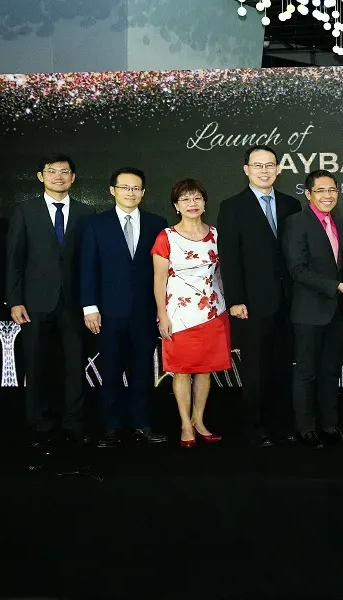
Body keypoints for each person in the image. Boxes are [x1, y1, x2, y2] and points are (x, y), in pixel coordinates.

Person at [6, 153, 93, 448]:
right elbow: (14, 260)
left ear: (73, 177)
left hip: (74, 302)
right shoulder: (25, 210)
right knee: (36, 365)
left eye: (64, 171)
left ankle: (74, 424)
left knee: (75, 366)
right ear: (40, 176)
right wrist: (15, 300)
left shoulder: (86, 212)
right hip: (34, 302)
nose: (59, 176)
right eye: (52, 171)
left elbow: (89, 261)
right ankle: (38, 425)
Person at [217, 144, 301, 447]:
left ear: (278, 169)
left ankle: (283, 425)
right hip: (251, 303)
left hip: (288, 302)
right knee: (255, 369)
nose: (264, 171)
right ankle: (256, 427)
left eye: (270, 165)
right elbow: (229, 257)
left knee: (283, 367)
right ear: (246, 170)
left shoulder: (291, 204)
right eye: (258, 165)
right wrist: (235, 300)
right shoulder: (232, 206)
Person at [79, 167, 168, 448]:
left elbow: (164, 272)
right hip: (108, 312)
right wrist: (90, 307)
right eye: (125, 187)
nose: (131, 193)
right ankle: (112, 427)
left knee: (143, 372)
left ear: (143, 192)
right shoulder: (96, 224)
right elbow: (87, 267)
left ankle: (142, 424)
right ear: (112, 190)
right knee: (111, 370)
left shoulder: (157, 224)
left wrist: (162, 309)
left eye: (136, 188)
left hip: (145, 312)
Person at [283, 169, 343, 449]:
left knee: (330, 372)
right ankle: (306, 429)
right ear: (308, 194)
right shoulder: (296, 223)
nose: (328, 195)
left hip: (337, 312)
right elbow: (297, 269)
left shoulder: (342, 223)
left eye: (332, 190)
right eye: (321, 190)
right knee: (306, 372)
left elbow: (342, 268)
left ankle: (329, 426)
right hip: (309, 311)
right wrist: (337, 286)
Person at [151, 179, 231, 448]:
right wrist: (162, 315)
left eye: (197, 198)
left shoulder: (217, 235)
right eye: (185, 199)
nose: (192, 204)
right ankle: (185, 424)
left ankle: (199, 421)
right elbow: (159, 280)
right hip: (179, 315)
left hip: (213, 313)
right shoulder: (166, 237)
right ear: (176, 206)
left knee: (205, 371)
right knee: (182, 371)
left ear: (205, 203)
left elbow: (221, 275)